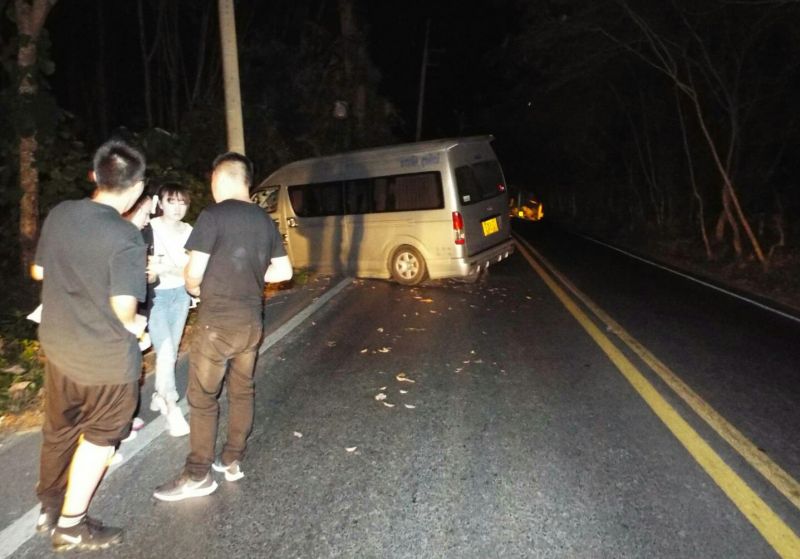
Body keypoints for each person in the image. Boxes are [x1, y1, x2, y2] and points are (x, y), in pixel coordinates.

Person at [154, 152, 292, 501]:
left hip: (216, 325)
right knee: (242, 389)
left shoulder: (212, 216)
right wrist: (248, 278)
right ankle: (232, 459)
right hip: (251, 324)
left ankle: (198, 473)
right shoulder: (264, 219)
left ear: (221, 179)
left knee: (202, 397)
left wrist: (195, 287)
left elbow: (193, 273)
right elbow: (284, 272)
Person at [31, 139, 147, 551]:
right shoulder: (126, 236)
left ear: (95, 177)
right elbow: (123, 308)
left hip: (60, 348)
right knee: (99, 440)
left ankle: (49, 507)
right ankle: (71, 524)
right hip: (106, 363)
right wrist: (140, 325)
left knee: (59, 431)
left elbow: (39, 269)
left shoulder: (61, 214)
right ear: (136, 189)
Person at [146, 184, 193, 437]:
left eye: (182, 202)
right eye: (171, 201)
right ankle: (171, 405)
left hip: (181, 295)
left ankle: (158, 393)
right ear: (160, 203)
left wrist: (166, 270)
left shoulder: (190, 231)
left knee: (170, 350)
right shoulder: (148, 228)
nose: (177, 207)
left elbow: (191, 270)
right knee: (164, 350)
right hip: (155, 297)